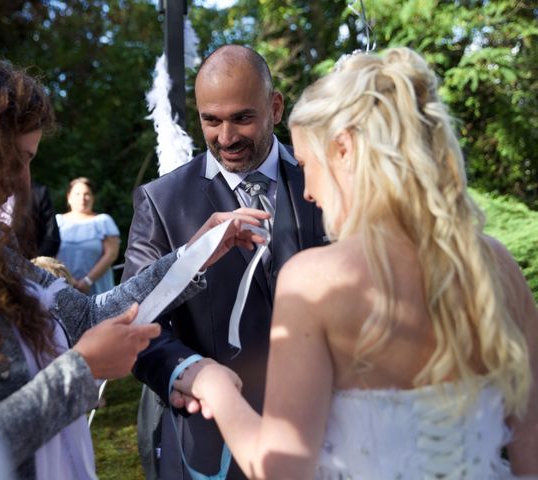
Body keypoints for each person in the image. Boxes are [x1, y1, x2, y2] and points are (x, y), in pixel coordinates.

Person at [0, 52, 268, 480]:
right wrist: (82, 371)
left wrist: (196, 254)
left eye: (29, 160)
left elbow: (90, 315)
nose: (24, 181)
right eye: (16, 158)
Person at [174, 47, 538, 479]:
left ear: (343, 149)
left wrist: (215, 389)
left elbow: (281, 470)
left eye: (307, 164)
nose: (307, 190)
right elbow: (530, 446)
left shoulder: (315, 281)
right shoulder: (495, 264)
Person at [122, 44, 327, 479]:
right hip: (212, 438)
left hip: (329, 427)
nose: (226, 137)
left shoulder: (326, 178)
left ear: (274, 106)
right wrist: (187, 371)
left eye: (242, 118)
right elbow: (135, 321)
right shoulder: (161, 202)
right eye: (210, 120)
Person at [57, 177, 121, 294]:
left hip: (98, 289)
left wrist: (87, 281)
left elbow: (111, 254)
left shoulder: (103, 221)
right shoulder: (57, 221)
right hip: (63, 288)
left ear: (93, 198)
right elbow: (48, 254)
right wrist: (70, 280)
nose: (82, 198)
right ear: (69, 197)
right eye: (77, 194)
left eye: (87, 194)